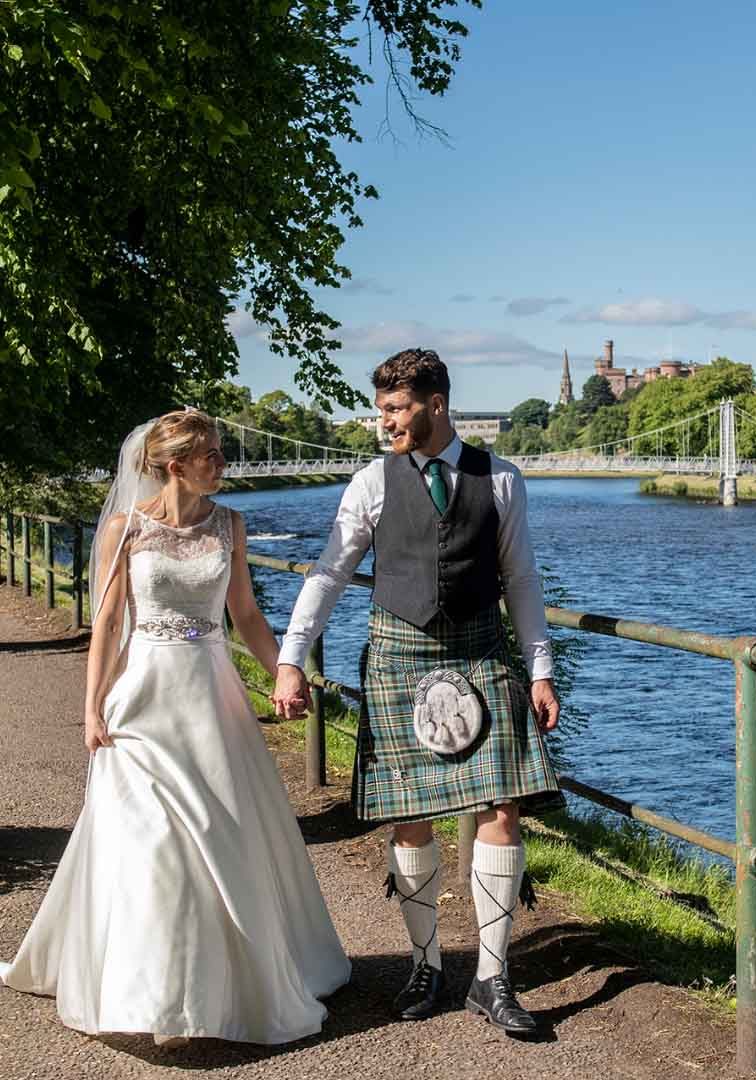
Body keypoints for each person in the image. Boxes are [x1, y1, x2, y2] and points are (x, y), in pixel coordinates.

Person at [0, 410, 350, 1046]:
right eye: (212, 455)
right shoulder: (123, 529)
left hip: (211, 697)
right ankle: (160, 999)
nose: (223, 464)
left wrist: (283, 674)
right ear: (174, 465)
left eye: (220, 452)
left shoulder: (231, 525)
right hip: (144, 698)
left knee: (219, 836)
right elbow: (107, 624)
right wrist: (92, 706)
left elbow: (243, 612)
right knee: (153, 843)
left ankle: (217, 985)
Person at [273, 349, 562, 1037]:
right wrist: (290, 660)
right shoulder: (372, 482)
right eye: (382, 412)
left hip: (482, 651)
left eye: (396, 410)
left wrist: (541, 668)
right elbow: (328, 574)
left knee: (503, 804)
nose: (386, 424)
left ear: (436, 404)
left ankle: (493, 979)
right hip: (401, 654)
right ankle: (427, 963)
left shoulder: (502, 480)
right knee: (412, 816)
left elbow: (519, 580)